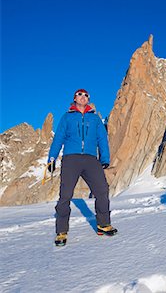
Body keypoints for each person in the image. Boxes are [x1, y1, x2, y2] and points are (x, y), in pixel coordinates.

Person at [48, 88, 117, 247]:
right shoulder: (67, 117)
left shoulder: (95, 119)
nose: (83, 97)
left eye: (86, 95)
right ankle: (61, 231)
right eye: (80, 94)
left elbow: (102, 139)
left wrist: (104, 158)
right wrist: (51, 158)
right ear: (74, 98)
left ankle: (103, 224)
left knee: (102, 190)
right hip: (71, 158)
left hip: (91, 159)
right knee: (65, 195)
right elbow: (59, 138)